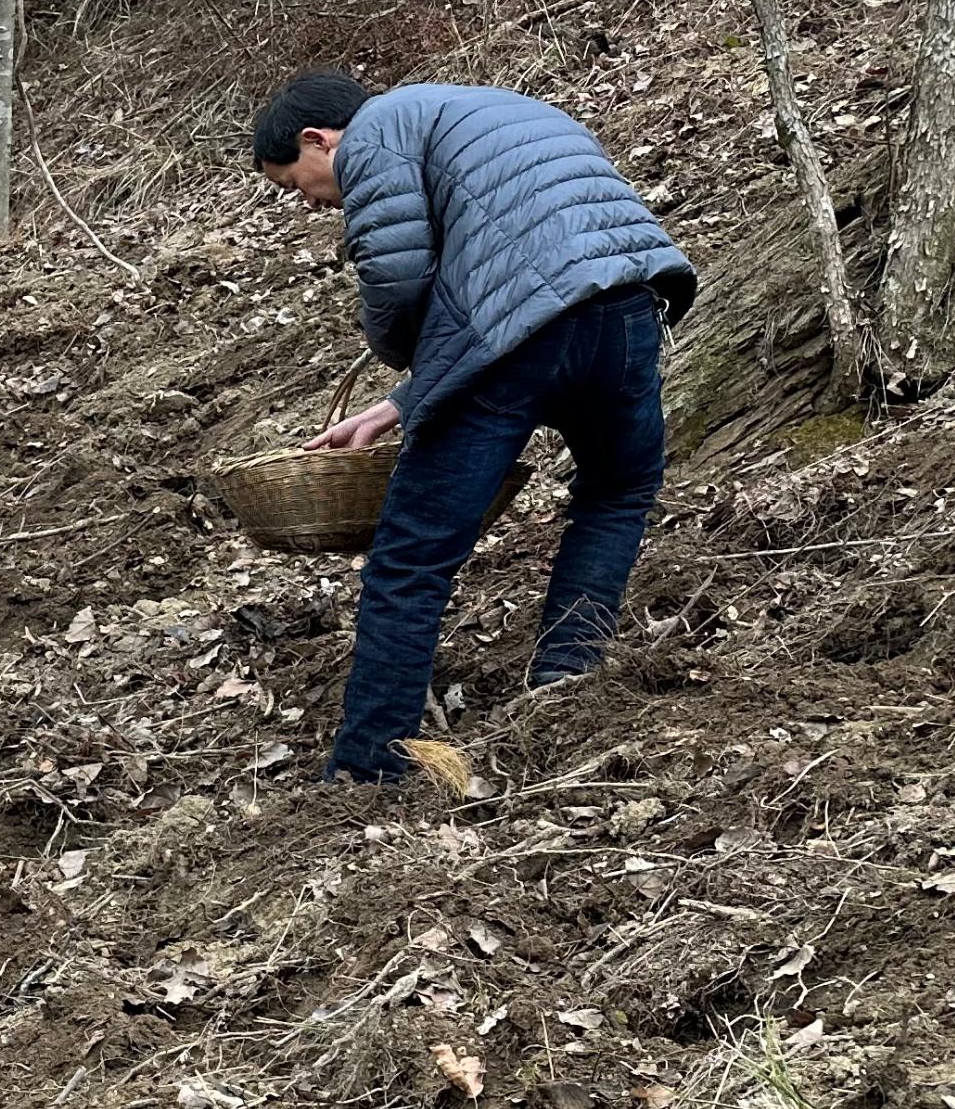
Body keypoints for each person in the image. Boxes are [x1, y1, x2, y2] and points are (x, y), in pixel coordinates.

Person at [253, 70, 697, 785]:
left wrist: (403, 359)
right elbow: (521, 259)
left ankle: (369, 770)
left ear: (318, 138)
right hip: (627, 305)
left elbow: (399, 280)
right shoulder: (483, 108)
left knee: (411, 556)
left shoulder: (374, 133)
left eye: (294, 185)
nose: (307, 203)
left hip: (516, 343)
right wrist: (402, 402)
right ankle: (565, 685)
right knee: (614, 492)